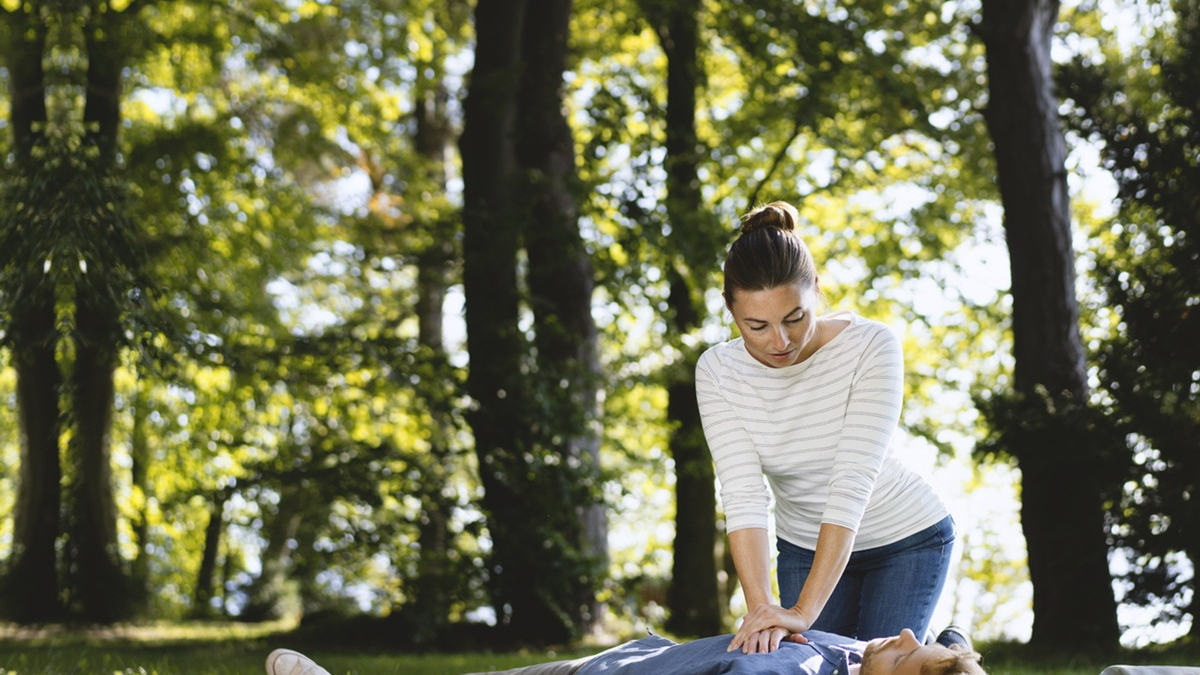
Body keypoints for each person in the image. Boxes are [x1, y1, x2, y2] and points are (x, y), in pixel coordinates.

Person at [696, 200, 955, 653]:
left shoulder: (871, 346)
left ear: (815, 288)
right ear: (730, 311)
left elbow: (851, 481)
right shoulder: (718, 371)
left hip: (905, 538)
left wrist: (801, 613)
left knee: (875, 668)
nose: (780, 342)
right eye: (756, 326)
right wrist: (762, 612)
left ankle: (945, 648)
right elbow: (743, 495)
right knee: (804, 664)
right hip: (803, 546)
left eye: (794, 317)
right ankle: (937, 644)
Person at [264, 626, 984, 675]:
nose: (906, 635)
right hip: (620, 658)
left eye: (908, 656)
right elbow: (951, 637)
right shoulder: (850, 654)